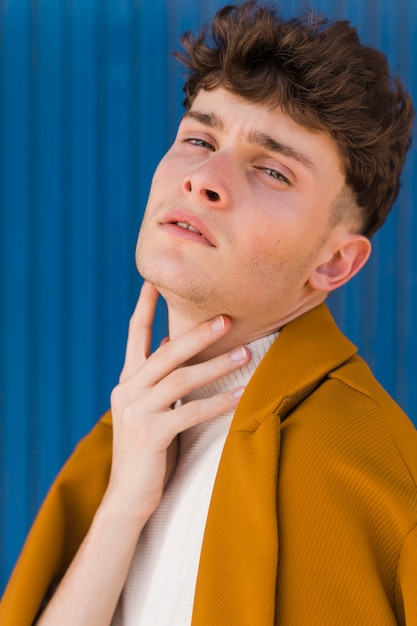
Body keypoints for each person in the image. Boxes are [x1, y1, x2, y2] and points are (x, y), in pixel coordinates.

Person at [1, 1, 417, 624]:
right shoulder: (123, 443)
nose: (204, 178)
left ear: (333, 265)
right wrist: (122, 508)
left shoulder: (375, 479)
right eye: (199, 138)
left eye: (272, 171)